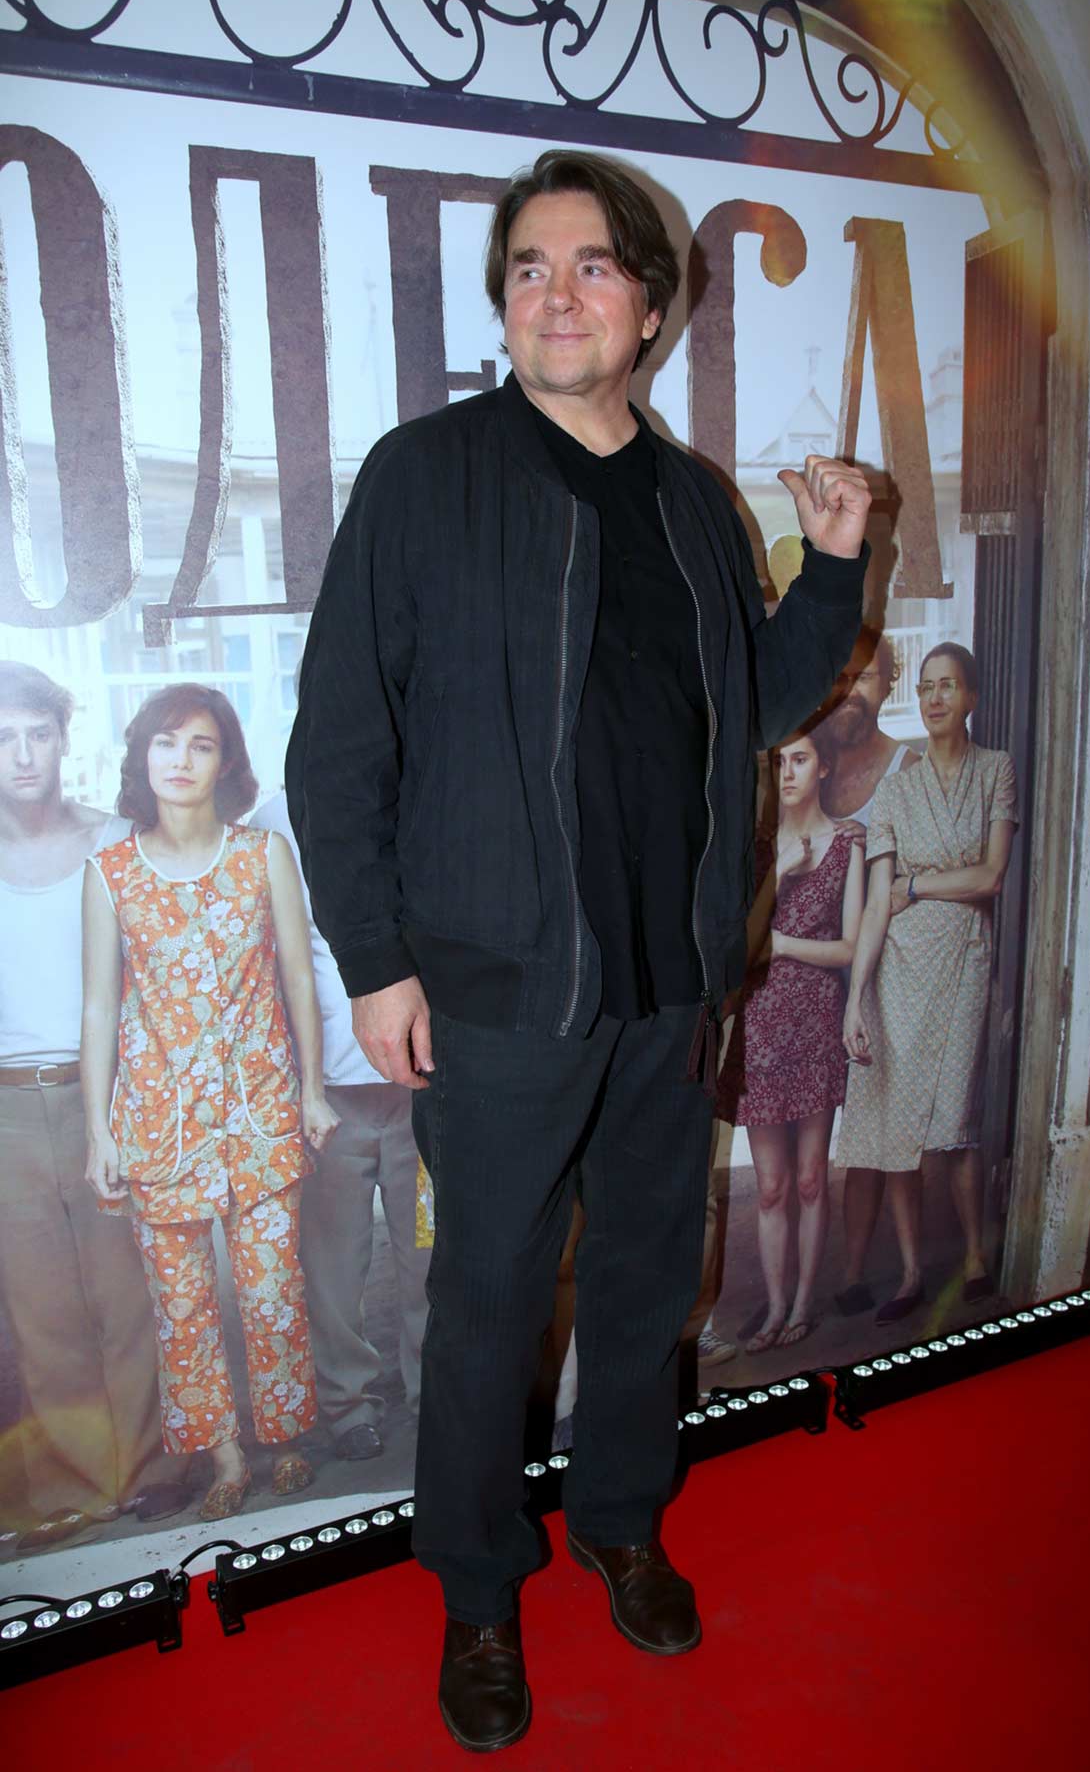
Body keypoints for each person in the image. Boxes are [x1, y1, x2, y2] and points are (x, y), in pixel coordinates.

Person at [286, 149, 869, 1754]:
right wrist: (375, 957)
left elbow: (753, 703)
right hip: (496, 991)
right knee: (486, 1299)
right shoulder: (428, 474)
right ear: (504, 304)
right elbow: (340, 737)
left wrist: (830, 564)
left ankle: (620, 1515)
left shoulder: (690, 499)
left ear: (650, 310)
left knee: (641, 1280)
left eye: (593, 265)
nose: (559, 293)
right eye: (531, 268)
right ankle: (480, 1589)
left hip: (669, 982)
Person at [81, 684, 339, 1521]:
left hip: (260, 1111)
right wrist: (98, 1132)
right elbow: (100, 1007)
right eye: (166, 742)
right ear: (141, 757)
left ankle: (285, 1437)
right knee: (183, 1303)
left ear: (225, 761)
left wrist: (311, 1091)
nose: (181, 760)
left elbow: (298, 977)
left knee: (271, 1288)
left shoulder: (263, 855)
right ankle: (224, 1453)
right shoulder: (111, 873)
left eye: (200, 744)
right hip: (157, 1125)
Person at [0, 663, 187, 1553]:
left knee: (126, 1291)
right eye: (3, 738)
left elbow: (157, 975)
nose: (21, 754)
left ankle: (149, 1467)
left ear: (63, 739)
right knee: (42, 1307)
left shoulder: (112, 841)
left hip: (106, 1094)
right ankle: (77, 1483)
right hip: (8, 1109)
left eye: (37, 733)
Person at [839, 643, 1018, 1324]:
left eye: (948, 686)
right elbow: (877, 905)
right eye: (925, 687)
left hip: (964, 958)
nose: (935, 698)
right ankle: (912, 1272)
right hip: (898, 970)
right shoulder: (896, 789)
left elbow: (990, 877)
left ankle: (974, 1256)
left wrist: (917, 884)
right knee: (897, 1125)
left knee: (956, 1120)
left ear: (971, 697)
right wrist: (857, 998)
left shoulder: (996, 770)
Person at [251, 780, 430, 1461]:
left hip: (422, 1083)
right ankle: (348, 1405)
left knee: (430, 1254)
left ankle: (434, 1393)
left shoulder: (417, 787)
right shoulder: (272, 819)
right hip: (325, 1093)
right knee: (333, 1267)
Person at [717, 732, 864, 1352]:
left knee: (810, 1180)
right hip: (760, 1030)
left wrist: (780, 945)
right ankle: (775, 1306)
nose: (788, 773)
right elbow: (736, 943)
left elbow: (849, 948)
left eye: (800, 759)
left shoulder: (848, 844)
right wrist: (780, 872)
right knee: (772, 1187)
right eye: (779, 762)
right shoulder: (756, 852)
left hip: (815, 1024)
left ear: (824, 766)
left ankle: (804, 1302)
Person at [821, 629, 920, 1316]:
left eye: (864, 677)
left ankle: (873, 1273)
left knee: (879, 1128)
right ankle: (824, 1276)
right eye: (840, 676)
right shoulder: (808, 762)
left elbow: (921, 877)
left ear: (889, 684)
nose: (851, 691)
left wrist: (879, 869)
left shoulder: (907, 770)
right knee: (808, 1143)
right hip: (806, 980)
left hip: (882, 977)